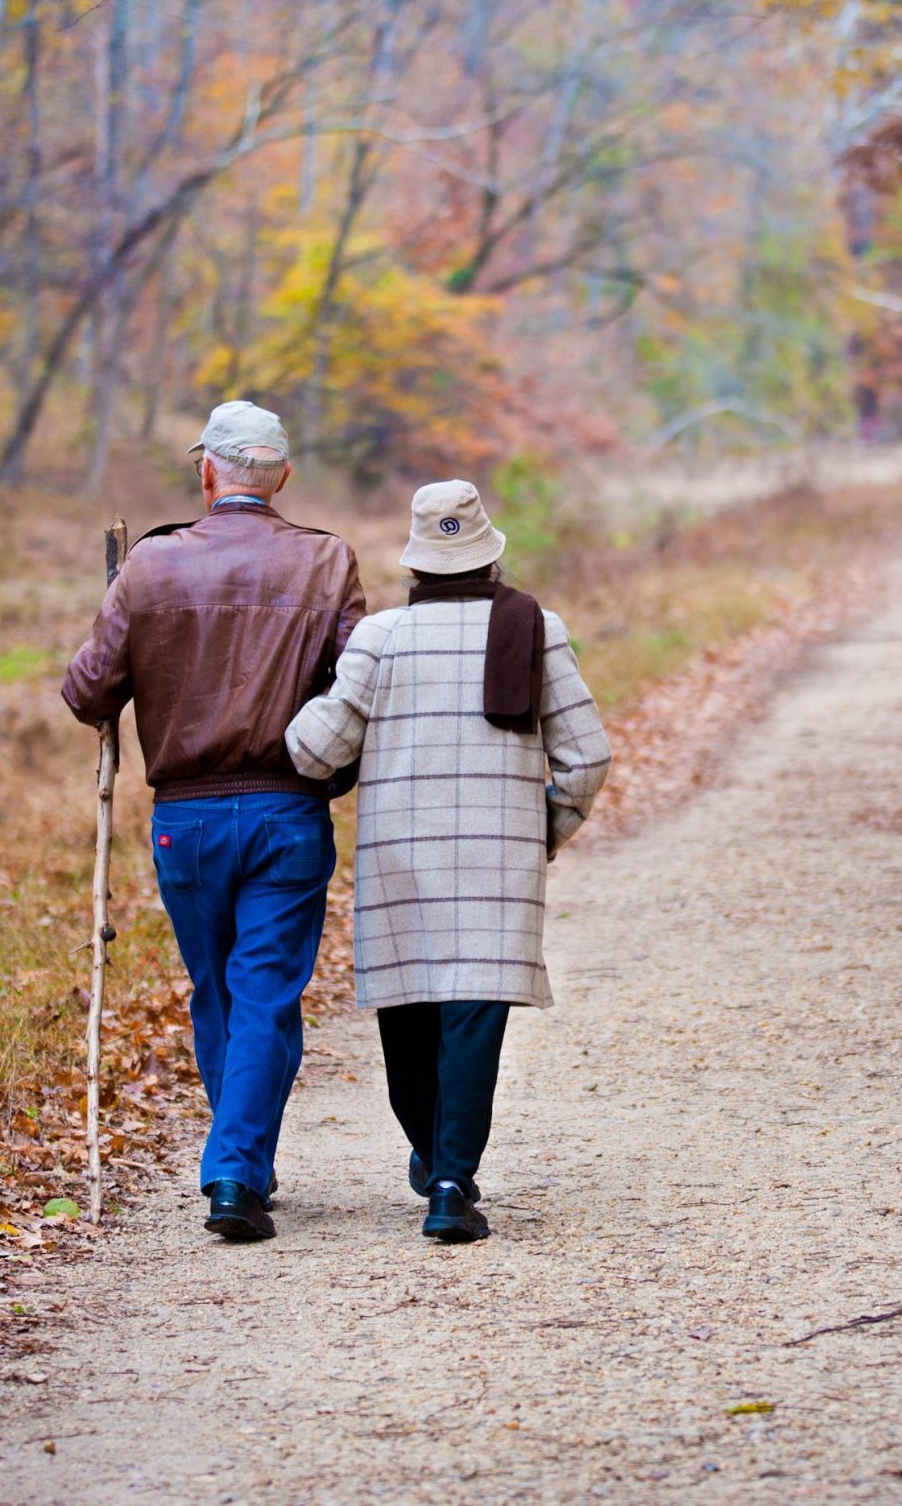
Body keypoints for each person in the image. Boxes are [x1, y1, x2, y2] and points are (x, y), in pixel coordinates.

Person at [61, 400, 365, 1243]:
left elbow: (86, 692)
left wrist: (122, 610)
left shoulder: (151, 566)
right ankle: (240, 1165)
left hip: (185, 821)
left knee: (220, 989)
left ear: (207, 472)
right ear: (283, 478)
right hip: (288, 807)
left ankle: (236, 1164)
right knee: (264, 990)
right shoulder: (327, 561)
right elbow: (362, 681)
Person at [286, 480, 612, 1243]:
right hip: (499, 865)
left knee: (410, 1017)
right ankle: (449, 1181)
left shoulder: (380, 638)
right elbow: (587, 757)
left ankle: (435, 1156)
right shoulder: (538, 629)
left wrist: (300, 703)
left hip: (401, 859)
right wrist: (543, 830)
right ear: (491, 555)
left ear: (416, 564)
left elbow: (314, 750)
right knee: (473, 1014)